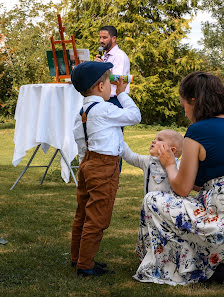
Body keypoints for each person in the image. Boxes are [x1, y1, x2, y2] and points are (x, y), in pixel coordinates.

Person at [133, 71, 224, 285]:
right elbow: (208, 184)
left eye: (183, 104)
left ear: (193, 101)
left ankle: (196, 266)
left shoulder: (198, 130)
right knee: (194, 207)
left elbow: (182, 188)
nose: (185, 112)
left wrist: (168, 163)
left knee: (154, 201)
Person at [70, 61, 141, 277]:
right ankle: (86, 265)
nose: (112, 86)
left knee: (82, 213)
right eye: (109, 83)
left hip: (87, 163)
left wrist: (86, 161)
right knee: (98, 216)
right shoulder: (105, 109)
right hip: (104, 166)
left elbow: (81, 141)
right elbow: (135, 116)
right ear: (101, 87)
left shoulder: (82, 111)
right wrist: (122, 94)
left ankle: (78, 258)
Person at [122, 129, 183, 196]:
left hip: (170, 205)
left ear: (172, 150)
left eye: (159, 140)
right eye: (154, 139)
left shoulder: (178, 166)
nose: (153, 141)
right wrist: (120, 141)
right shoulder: (147, 161)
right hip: (150, 205)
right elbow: (131, 157)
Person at [95, 25, 131, 109]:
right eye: (100, 37)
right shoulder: (104, 56)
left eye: (104, 38)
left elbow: (118, 80)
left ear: (113, 39)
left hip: (115, 100)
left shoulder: (120, 56)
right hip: (104, 99)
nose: (101, 41)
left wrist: (102, 68)